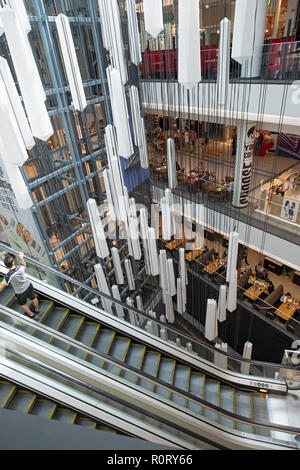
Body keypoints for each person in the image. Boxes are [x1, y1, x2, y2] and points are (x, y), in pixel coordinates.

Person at [0, 252, 40, 318]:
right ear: (13, 262)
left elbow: (1, 288)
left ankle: (31, 315)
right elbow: (24, 264)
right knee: (33, 298)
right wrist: (21, 257)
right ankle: (37, 310)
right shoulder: (20, 267)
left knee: (22, 304)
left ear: (6, 265)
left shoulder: (8, 276)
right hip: (28, 286)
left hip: (21, 293)